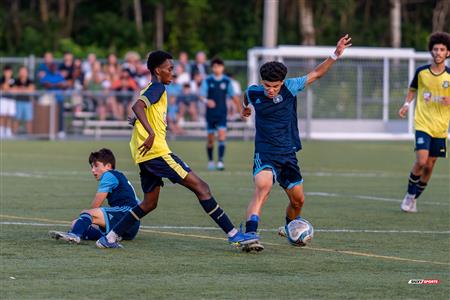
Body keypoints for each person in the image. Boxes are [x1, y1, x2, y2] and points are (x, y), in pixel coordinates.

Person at [96, 50, 258, 249]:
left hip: (144, 155)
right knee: (202, 188)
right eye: (170, 69)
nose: (173, 72)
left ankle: (109, 238)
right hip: (157, 153)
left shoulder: (151, 88)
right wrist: (151, 133)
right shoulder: (157, 88)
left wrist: (139, 124)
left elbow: (142, 111)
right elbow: (138, 107)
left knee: (149, 203)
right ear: (158, 70)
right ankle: (234, 234)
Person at [241, 34, 352, 252]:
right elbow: (246, 95)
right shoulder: (255, 92)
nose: (270, 90)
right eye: (267, 86)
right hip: (265, 153)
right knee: (263, 188)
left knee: (298, 201)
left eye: (274, 86)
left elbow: (317, 73)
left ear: (282, 83)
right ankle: (250, 234)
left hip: (288, 154)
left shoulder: (291, 87)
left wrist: (335, 55)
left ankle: (290, 225)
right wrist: (244, 108)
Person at [398, 32, 450, 213]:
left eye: (442, 49)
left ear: (447, 53)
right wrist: (406, 104)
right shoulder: (421, 72)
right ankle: (409, 196)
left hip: (441, 128)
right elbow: (412, 90)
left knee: (429, 166)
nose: (438, 52)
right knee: (421, 161)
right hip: (423, 124)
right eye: (435, 49)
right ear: (431, 51)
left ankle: (414, 199)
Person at [49, 148, 141, 244]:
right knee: (76, 223)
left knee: (87, 214)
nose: (93, 170)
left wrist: (87, 214)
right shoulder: (119, 176)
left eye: (96, 166)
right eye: (92, 166)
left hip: (125, 215)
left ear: (108, 166)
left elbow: (95, 206)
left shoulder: (108, 175)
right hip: (130, 223)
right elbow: (137, 201)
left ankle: (74, 235)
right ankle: (108, 236)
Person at [200, 58, 240, 171]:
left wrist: (240, 109)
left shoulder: (227, 81)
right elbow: (201, 95)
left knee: (222, 137)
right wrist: (207, 101)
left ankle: (221, 161)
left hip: (222, 113)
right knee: (211, 139)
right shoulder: (207, 81)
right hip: (210, 114)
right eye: (215, 66)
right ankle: (211, 161)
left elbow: (234, 96)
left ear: (222, 68)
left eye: (219, 66)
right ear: (212, 68)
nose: (217, 68)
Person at [12, 66, 35, 135]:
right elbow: (13, 90)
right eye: (21, 71)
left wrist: (21, 89)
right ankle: (14, 134)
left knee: (29, 119)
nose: (23, 73)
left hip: (28, 102)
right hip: (18, 102)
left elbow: (31, 90)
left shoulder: (30, 81)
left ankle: (29, 134)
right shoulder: (16, 81)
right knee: (16, 119)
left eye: (24, 71)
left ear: (27, 73)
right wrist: (24, 89)